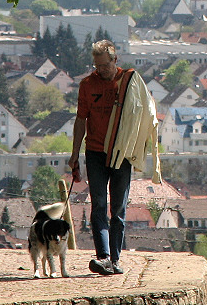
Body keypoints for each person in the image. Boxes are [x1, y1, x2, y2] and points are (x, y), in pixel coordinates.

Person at [69, 39, 161, 276]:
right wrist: (75, 154)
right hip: (95, 153)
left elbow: (145, 113)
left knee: (118, 209)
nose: (101, 70)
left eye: (105, 65)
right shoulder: (87, 85)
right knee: (98, 204)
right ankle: (103, 257)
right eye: (97, 66)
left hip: (122, 154)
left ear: (115, 60)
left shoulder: (129, 82)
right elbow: (81, 120)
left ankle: (116, 260)